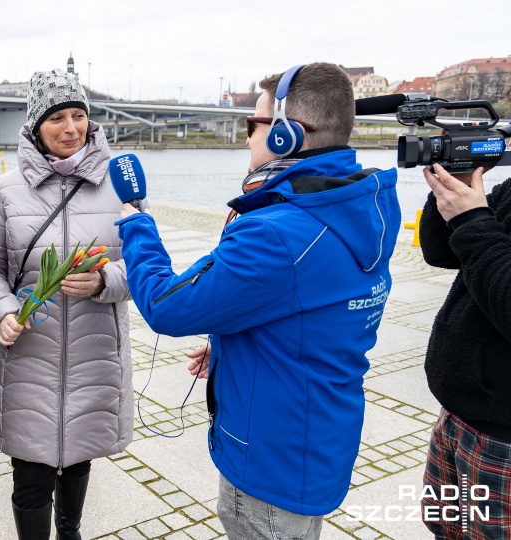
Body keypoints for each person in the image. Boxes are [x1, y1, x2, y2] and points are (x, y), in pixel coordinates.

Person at [116, 63, 401, 539]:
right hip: (316, 439)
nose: (247, 137)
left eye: (255, 124)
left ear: (288, 136)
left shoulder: (277, 234)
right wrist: (235, 346)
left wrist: (136, 224)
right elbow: (311, 315)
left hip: (271, 461)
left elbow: (167, 305)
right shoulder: (358, 204)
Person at [0, 68, 133, 540]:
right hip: (28, 357)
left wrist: (105, 280)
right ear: (35, 127)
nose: (70, 128)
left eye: (78, 115)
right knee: (31, 475)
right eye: (57, 117)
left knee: (79, 460)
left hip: (94, 354)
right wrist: (1, 312)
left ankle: (71, 532)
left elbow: (146, 268)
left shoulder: (119, 186)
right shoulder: (7, 190)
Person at [419, 158, 511, 538]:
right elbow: (443, 252)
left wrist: (473, 221)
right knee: (446, 528)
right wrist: (450, 189)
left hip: (502, 433)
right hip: (461, 410)